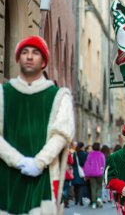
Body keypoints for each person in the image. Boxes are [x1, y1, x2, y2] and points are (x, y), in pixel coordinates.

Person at [0, 35, 75, 214]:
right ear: (18, 59)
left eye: (35, 52)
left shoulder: (58, 96)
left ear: (43, 62)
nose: (29, 56)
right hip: (5, 175)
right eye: (25, 52)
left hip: (44, 177)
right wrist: (19, 161)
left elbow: (62, 134)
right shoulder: (3, 92)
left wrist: (38, 162)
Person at [83, 142, 106, 209]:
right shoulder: (101, 154)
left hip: (91, 173)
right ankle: (98, 198)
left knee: (93, 188)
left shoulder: (90, 154)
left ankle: (94, 203)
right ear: (99, 147)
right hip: (99, 173)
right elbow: (103, 164)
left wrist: (86, 173)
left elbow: (87, 164)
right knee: (99, 186)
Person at [72, 141, 88, 206]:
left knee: (75, 186)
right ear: (82, 147)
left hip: (75, 171)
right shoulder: (84, 154)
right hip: (81, 171)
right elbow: (85, 163)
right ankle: (80, 200)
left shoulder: (74, 154)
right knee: (81, 186)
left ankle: (76, 200)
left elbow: (72, 162)